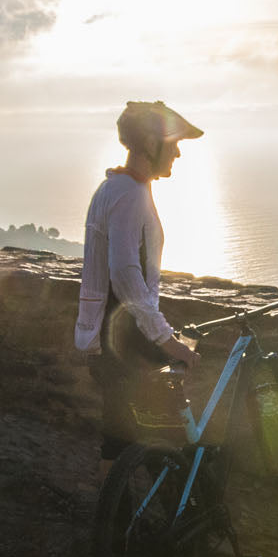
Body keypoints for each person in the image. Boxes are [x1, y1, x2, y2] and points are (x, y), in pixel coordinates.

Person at [75, 100, 203, 466]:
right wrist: (168, 341)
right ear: (149, 142)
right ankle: (151, 519)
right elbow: (127, 276)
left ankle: (116, 520)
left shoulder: (114, 188)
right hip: (126, 339)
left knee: (118, 445)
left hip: (111, 335)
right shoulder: (129, 195)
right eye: (173, 142)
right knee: (163, 444)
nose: (178, 152)